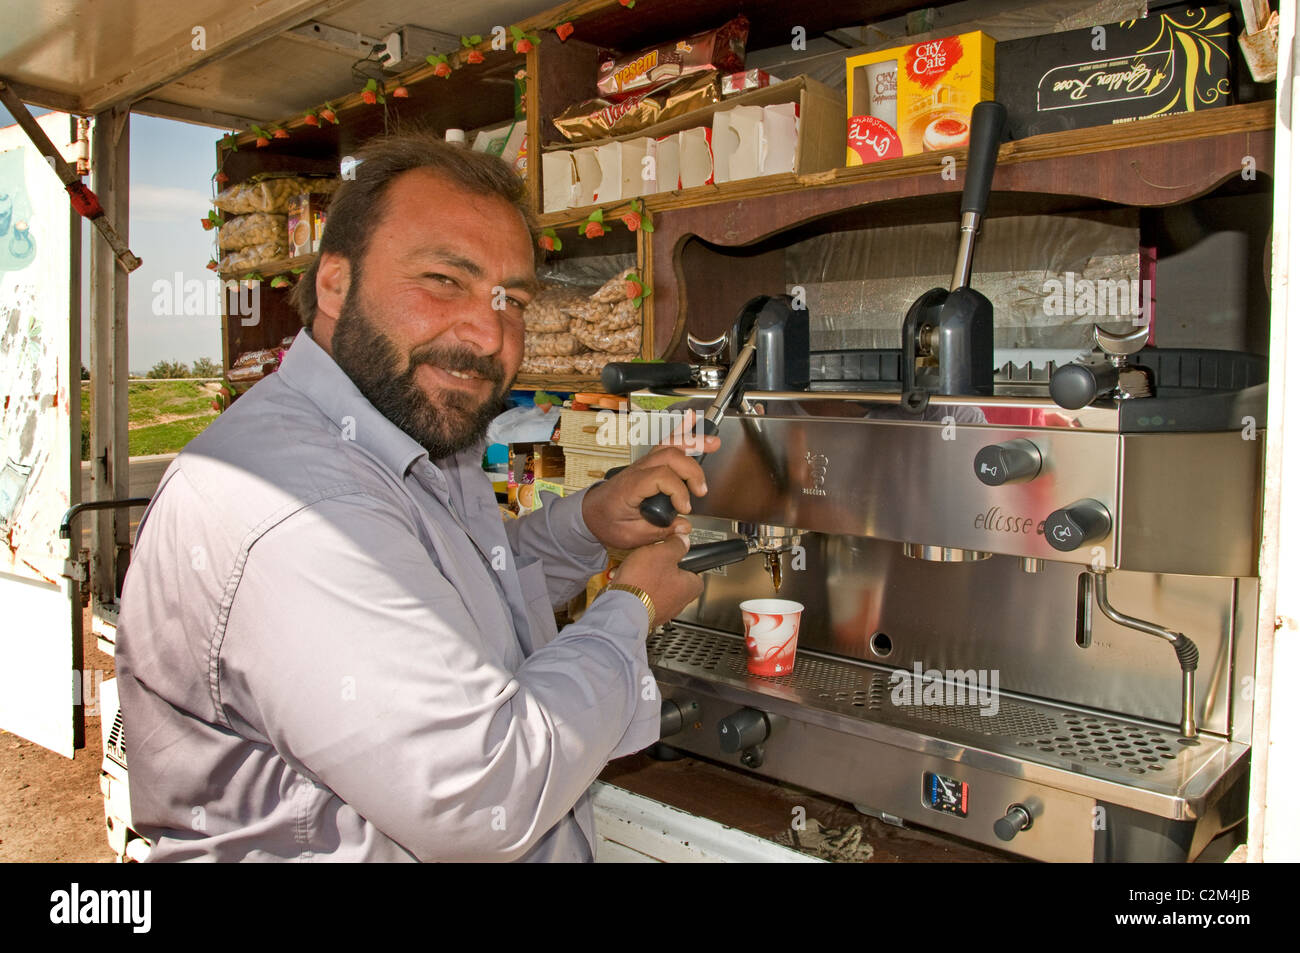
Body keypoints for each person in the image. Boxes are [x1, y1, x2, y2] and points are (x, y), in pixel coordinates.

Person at [115, 133, 718, 862]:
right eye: (443, 279)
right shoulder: (298, 504)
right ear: (335, 283)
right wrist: (633, 606)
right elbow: (485, 787)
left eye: (513, 300)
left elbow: (460, 584)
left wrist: (587, 522)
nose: (488, 332)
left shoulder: (408, 423)